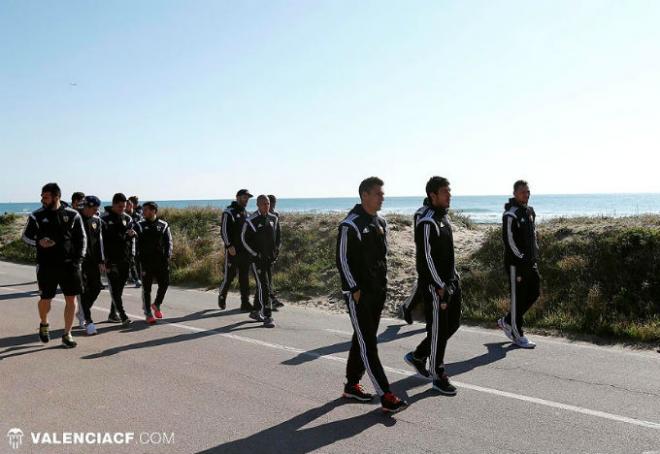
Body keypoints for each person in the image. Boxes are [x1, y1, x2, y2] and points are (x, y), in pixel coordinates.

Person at [336, 177, 408, 414]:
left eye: (382, 193)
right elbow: (342, 260)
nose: (382, 197)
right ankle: (386, 395)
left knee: (363, 338)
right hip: (359, 295)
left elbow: (382, 256)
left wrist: (383, 285)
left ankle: (351, 385)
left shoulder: (381, 222)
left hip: (378, 291)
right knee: (369, 343)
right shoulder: (350, 225)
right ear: (364, 195)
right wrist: (354, 289)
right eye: (378, 193)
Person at [403, 176, 461, 395]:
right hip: (436, 287)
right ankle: (438, 375)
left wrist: (453, 278)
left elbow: (449, 253)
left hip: (451, 282)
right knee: (438, 330)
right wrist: (438, 285)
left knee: (452, 324)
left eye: (449, 191)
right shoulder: (427, 220)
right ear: (433, 195)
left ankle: (418, 355)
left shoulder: (443, 218)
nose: (449, 195)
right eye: (445, 192)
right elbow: (425, 257)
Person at [21, 183, 87, 348]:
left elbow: (82, 238)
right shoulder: (37, 215)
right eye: (42, 196)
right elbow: (25, 237)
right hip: (46, 264)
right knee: (45, 299)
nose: (42, 199)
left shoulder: (73, 215)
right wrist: (39, 242)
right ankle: (44, 323)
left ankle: (67, 333)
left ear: (56, 197)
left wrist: (78, 259)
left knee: (71, 299)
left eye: (46, 196)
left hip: (69, 264)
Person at [498, 180, 540, 349]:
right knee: (518, 299)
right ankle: (517, 334)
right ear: (515, 193)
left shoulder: (529, 211)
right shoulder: (510, 214)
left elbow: (533, 235)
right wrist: (522, 258)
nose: (526, 194)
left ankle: (507, 321)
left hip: (531, 263)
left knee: (534, 293)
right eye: (523, 192)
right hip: (516, 265)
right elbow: (509, 241)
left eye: (528, 191)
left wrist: (534, 254)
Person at [241, 195, 280, 328]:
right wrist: (254, 254)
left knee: (264, 286)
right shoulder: (251, 220)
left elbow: (277, 237)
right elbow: (244, 239)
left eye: (268, 203)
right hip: (256, 260)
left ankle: (256, 311)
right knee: (265, 287)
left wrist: (275, 252)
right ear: (258, 204)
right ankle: (267, 316)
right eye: (263, 204)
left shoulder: (273, 218)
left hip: (269, 259)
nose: (266, 206)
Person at [101, 193, 136, 327]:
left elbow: (131, 237)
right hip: (110, 259)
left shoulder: (127, 218)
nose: (123, 208)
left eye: (125, 206)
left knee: (119, 288)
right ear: (114, 204)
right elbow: (99, 242)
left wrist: (132, 255)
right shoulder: (103, 219)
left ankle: (112, 313)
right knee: (114, 288)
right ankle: (123, 315)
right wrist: (103, 260)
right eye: (120, 206)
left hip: (125, 258)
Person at [135, 202, 173, 325]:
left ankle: (156, 304)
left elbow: (169, 242)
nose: (143, 212)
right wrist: (137, 258)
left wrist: (168, 255)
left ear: (153, 211)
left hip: (161, 261)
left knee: (165, 283)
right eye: (143, 210)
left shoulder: (163, 225)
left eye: (145, 210)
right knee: (147, 289)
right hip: (146, 262)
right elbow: (133, 241)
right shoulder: (139, 225)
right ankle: (148, 313)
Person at [74, 196, 106, 336]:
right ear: (86, 206)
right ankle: (88, 320)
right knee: (82, 290)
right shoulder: (75, 218)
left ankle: (82, 311)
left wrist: (101, 261)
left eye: (97, 209)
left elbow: (99, 242)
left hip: (93, 261)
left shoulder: (97, 220)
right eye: (94, 208)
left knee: (97, 287)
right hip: (78, 261)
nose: (96, 211)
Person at [218, 189, 253, 312]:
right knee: (229, 276)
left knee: (244, 277)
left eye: (248, 198)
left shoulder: (247, 214)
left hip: (245, 252)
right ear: (238, 197)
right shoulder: (229, 212)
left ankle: (245, 302)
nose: (246, 200)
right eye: (244, 197)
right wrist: (229, 246)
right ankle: (222, 295)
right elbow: (223, 231)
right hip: (233, 251)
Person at [267, 194, 283, 310]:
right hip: (264, 250)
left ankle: (270, 297)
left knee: (270, 274)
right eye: (270, 203)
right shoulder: (263, 215)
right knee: (266, 275)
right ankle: (270, 299)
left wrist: (277, 247)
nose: (272, 205)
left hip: (273, 249)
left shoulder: (275, 215)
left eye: (273, 203)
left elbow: (278, 232)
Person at [125, 199, 142, 288]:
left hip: (136, 240)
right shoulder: (123, 216)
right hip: (125, 241)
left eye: (127, 205)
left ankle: (136, 278)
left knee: (134, 259)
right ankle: (130, 278)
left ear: (131, 206)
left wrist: (135, 233)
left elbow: (141, 227)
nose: (125, 207)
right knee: (129, 260)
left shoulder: (137, 216)